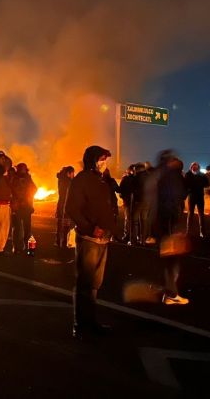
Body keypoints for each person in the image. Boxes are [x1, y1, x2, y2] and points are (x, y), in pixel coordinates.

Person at [67, 145, 119, 339]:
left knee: (95, 283)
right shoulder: (81, 180)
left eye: (106, 160)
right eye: (101, 159)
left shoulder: (102, 180)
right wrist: (89, 228)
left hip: (103, 239)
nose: (104, 163)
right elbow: (72, 209)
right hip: (89, 239)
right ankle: (80, 325)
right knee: (84, 284)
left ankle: (91, 321)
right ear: (92, 160)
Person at [155, 151, 190, 305]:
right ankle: (171, 294)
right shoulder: (171, 177)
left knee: (169, 259)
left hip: (165, 221)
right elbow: (176, 198)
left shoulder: (162, 175)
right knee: (172, 259)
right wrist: (175, 227)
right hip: (170, 221)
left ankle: (168, 290)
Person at [10, 163, 37, 254]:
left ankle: (26, 246)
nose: (23, 170)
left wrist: (27, 198)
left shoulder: (28, 179)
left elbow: (34, 188)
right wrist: (18, 199)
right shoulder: (14, 178)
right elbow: (12, 189)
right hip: (17, 207)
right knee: (16, 228)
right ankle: (16, 247)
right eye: (21, 169)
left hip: (26, 207)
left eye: (24, 169)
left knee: (27, 228)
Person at [184, 162, 209, 238]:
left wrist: (198, 184)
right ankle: (189, 232)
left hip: (198, 196)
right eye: (193, 167)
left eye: (196, 167)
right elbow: (186, 184)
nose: (194, 168)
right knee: (192, 214)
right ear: (191, 167)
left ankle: (200, 232)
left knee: (199, 214)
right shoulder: (189, 174)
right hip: (193, 196)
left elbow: (207, 184)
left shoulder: (200, 175)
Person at [55, 165, 76, 247]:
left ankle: (58, 241)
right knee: (66, 225)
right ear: (69, 173)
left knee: (60, 224)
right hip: (66, 205)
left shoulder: (62, 180)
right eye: (73, 173)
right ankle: (64, 242)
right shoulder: (68, 182)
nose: (73, 175)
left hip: (61, 204)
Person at [118, 164, 138, 243]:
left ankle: (127, 236)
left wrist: (123, 197)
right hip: (135, 202)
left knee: (128, 219)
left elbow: (121, 191)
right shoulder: (136, 179)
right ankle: (135, 237)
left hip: (127, 201)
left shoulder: (125, 179)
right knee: (135, 220)